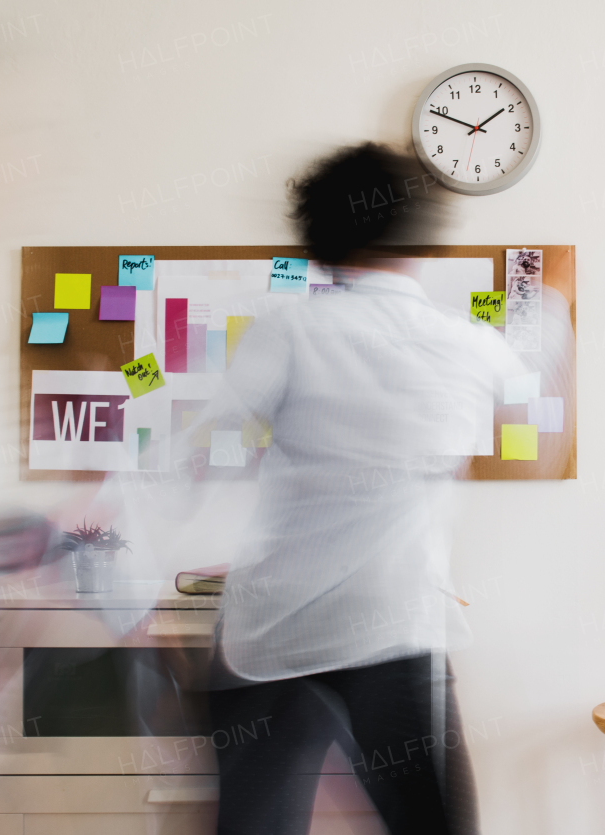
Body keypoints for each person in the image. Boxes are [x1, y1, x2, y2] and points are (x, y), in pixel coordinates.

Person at [198, 144, 522, 834]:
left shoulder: (287, 330)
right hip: (393, 628)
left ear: (321, 235)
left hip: (270, 637)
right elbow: (527, 386)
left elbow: (205, 451)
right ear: (422, 231)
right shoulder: (467, 346)